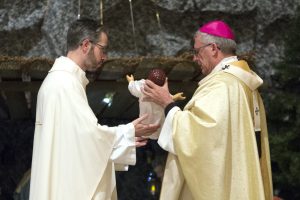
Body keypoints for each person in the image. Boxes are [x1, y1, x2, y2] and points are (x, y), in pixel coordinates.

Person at [29, 18, 159, 200]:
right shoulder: (64, 84)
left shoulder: (61, 81)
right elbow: (87, 139)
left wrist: (125, 135)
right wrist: (128, 132)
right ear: (85, 45)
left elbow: (76, 142)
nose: (105, 56)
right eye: (102, 48)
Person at [143, 20, 273, 200]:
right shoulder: (244, 83)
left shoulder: (222, 85)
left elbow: (200, 138)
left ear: (213, 48)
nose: (194, 58)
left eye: (197, 51)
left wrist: (167, 103)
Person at [126, 69, 185, 139]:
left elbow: (133, 88)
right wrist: (175, 97)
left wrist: (131, 81)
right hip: (159, 124)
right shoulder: (162, 92)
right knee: (158, 129)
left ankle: (146, 137)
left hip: (145, 120)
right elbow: (168, 99)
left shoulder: (142, 87)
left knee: (145, 129)